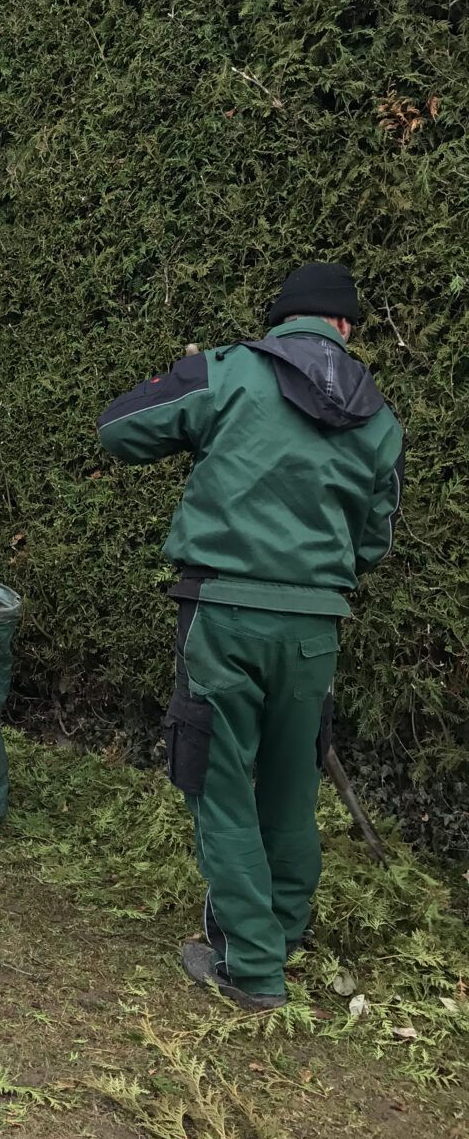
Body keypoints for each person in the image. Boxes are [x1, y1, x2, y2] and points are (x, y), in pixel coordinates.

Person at [96, 263, 404, 1011]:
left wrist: (186, 372)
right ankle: (284, 930)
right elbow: (373, 542)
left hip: (223, 616)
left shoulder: (229, 373)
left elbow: (119, 429)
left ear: (279, 323)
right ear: (345, 328)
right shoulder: (378, 416)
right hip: (316, 628)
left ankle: (252, 969)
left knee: (221, 785)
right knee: (293, 785)